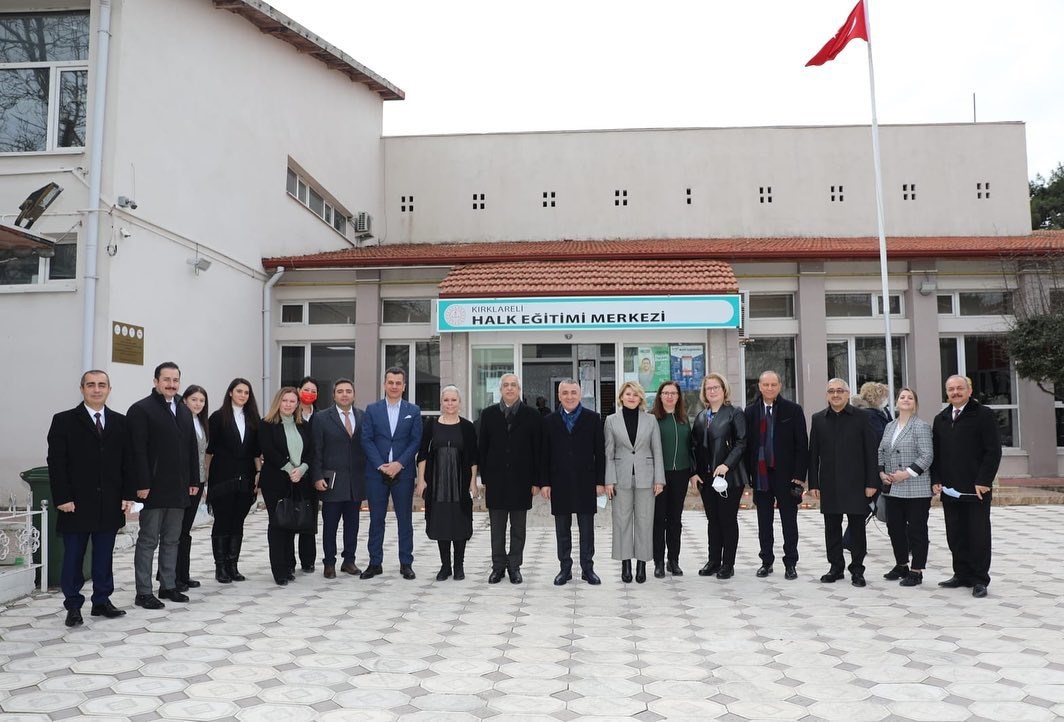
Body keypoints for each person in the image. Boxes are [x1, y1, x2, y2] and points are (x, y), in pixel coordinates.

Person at [46, 370, 134, 627]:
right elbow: (56, 463)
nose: (97, 389)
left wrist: (127, 495)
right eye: (91, 385)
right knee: (74, 557)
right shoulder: (64, 421)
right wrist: (63, 497)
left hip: (109, 503)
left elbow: (128, 462)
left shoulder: (120, 422)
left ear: (109, 389)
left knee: (104, 556)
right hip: (75, 504)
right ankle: (73, 605)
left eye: (102, 385)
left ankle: (101, 601)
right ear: (82, 389)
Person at [127, 362, 201, 609]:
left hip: (178, 488)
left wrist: (193, 480)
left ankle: (168, 586)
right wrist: (142, 483)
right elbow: (137, 450)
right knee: (148, 540)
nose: (171, 384)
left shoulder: (183, 408)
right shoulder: (141, 410)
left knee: (172, 539)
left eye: (175, 380)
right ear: (155, 381)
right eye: (166, 379)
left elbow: (191, 447)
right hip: (152, 489)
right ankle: (143, 592)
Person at [931, 374, 1002, 598]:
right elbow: (936, 454)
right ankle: (961, 574)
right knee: (955, 533)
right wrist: (936, 479)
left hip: (976, 488)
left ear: (969, 390)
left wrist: (984, 480)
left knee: (978, 534)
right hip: (950, 489)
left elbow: (993, 451)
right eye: (951, 389)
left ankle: (979, 579)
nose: (955, 392)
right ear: (947, 393)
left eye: (960, 388)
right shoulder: (941, 418)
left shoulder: (983, 414)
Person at [808, 378, 879, 587]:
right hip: (829, 483)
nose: (836, 395)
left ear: (848, 394)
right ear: (827, 395)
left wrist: (872, 482)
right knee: (831, 528)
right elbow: (813, 454)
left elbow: (871, 451)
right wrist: (814, 484)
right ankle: (835, 567)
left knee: (857, 529)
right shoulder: (818, 419)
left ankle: (857, 570)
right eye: (831, 391)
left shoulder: (862, 417)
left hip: (857, 483)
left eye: (840, 391)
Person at [743, 370, 808, 581]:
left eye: (773, 384)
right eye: (766, 385)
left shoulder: (793, 410)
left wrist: (799, 475)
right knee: (764, 521)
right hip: (761, 475)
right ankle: (766, 561)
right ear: (759, 387)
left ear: (780, 386)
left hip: (786, 476)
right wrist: (748, 476)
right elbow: (746, 446)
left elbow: (802, 445)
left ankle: (791, 563)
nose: (769, 388)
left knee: (789, 521)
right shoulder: (750, 411)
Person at [540, 379, 606, 586]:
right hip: (559, 481)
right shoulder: (549, 421)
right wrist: (545, 483)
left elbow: (600, 453)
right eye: (565, 393)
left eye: (573, 392)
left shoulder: (593, 419)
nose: (569, 397)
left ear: (580, 394)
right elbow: (544, 454)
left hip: (586, 481)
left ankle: (588, 569)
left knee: (586, 529)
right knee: (562, 529)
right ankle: (565, 569)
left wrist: (600, 482)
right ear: (559, 396)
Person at [478, 373, 542, 584]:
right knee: (497, 529)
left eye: (513, 385)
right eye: (506, 385)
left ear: (519, 389)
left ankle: (514, 567)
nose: (510, 388)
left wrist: (536, 481)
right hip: (496, 481)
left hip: (522, 481)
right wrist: (484, 479)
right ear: (500, 390)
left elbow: (537, 450)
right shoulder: (488, 414)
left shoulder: (532, 415)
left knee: (518, 529)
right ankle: (498, 567)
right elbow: (483, 448)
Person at [360, 367, 422, 580]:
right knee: (376, 519)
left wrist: (399, 464)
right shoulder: (372, 409)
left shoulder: (413, 410)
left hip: (403, 473)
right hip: (376, 473)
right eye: (390, 382)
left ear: (404, 386)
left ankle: (406, 563)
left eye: (398, 383)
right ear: (384, 384)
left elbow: (416, 441)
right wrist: (381, 465)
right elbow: (366, 439)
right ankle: (375, 563)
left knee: (405, 519)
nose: (394, 386)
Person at [604, 381, 665, 584]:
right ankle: (625, 564)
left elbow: (657, 450)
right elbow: (608, 452)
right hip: (620, 477)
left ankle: (641, 564)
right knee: (621, 521)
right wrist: (609, 480)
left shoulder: (650, 420)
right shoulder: (611, 421)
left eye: (635, 394)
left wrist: (659, 479)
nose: (631, 397)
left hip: (646, 477)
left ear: (640, 398)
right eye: (628, 394)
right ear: (621, 397)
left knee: (644, 521)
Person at [417, 385, 479, 581]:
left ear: (460, 402)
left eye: (453, 400)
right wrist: (421, 480)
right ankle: (445, 567)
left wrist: (473, 482)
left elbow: (473, 457)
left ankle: (459, 567)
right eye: (446, 400)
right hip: (437, 485)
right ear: (441, 403)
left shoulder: (467, 426)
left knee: (460, 524)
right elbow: (423, 454)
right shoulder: (431, 425)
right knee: (441, 524)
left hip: (460, 485)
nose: (450, 404)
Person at [691, 373, 747, 580]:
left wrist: (726, 465)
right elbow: (694, 446)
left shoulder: (734, 413)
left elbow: (741, 442)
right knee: (712, 520)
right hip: (706, 479)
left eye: (716, 387)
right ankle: (713, 560)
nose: (712, 391)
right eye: (709, 388)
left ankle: (727, 564)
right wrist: (694, 472)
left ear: (724, 390)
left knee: (727, 520)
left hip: (729, 478)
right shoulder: (701, 416)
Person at [309, 378, 366, 578]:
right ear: (333, 395)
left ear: (354, 395)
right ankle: (329, 562)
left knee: (353, 524)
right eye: (340, 391)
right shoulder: (321, 418)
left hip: (355, 482)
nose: (344, 394)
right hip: (331, 481)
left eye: (348, 391)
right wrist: (317, 476)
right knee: (330, 525)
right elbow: (316, 450)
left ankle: (349, 561)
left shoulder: (362, 416)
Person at [205, 378, 260, 584]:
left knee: (238, 521)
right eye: (239, 391)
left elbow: (256, 452)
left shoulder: (253, 418)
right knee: (222, 520)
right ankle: (220, 567)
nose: (243, 395)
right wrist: (206, 479)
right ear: (230, 392)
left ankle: (233, 565)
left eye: (246, 392)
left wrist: (258, 474)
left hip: (246, 476)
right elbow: (209, 451)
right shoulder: (218, 417)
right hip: (222, 477)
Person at [877, 387, 933, 587]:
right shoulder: (890, 426)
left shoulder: (921, 426)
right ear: (897, 402)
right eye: (902, 397)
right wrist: (882, 473)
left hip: (916, 487)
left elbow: (927, 455)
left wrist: (907, 473)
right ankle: (901, 564)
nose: (906, 400)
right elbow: (881, 451)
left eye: (910, 397)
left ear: (915, 403)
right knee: (895, 528)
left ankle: (916, 571)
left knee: (917, 530)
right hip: (893, 487)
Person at [258, 387, 314, 585]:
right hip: (275, 480)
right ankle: (279, 570)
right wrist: (291, 469)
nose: (288, 404)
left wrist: (302, 468)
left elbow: (311, 451)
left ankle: (289, 565)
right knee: (277, 523)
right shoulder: (266, 424)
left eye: (292, 401)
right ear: (278, 402)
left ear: (297, 404)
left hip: (299, 480)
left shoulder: (304, 425)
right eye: (285, 400)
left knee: (291, 523)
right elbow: (269, 451)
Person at [651, 380, 692, 578]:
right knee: (659, 519)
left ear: (678, 397)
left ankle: (673, 560)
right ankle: (658, 561)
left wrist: (692, 472)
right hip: (659, 475)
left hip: (680, 474)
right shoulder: (652, 419)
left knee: (675, 520)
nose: (669, 396)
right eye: (666, 393)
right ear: (660, 396)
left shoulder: (684, 419)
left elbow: (690, 447)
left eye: (673, 393)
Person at [175, 384, 209, 592]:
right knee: (178, 531)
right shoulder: (181, 420)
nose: (198, 404)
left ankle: (183, 574)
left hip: (199, 481)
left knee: (186, 530)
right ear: (185, 400)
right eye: (194, 399)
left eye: (202, 400)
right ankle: (173, 575)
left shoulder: (200, 422)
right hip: (186, 483)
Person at [295, 376, 320, 573]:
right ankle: (288, 560)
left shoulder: (320, 416)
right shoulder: (290, 413)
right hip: (293, 472)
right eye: (306, 389)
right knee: (289, 515)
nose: (309, 394)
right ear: (298, 390)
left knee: (310, 517)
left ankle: (308, 560)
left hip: (313, 474)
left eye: (313, 391)